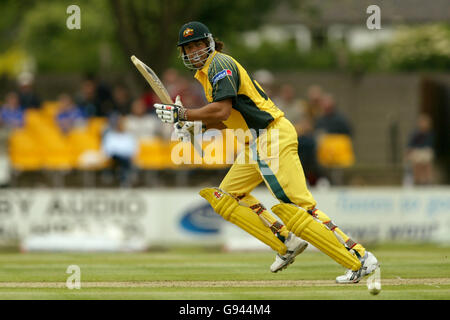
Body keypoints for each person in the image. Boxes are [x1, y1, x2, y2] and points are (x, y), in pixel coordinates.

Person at [154, 21, 379, 283]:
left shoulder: (219, 64)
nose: (194, 52)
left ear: (210, 44)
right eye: (188, 48)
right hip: (255, 141)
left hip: (271, 136)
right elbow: (226, 119)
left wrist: (183, 114)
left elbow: (222, 111)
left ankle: (359, 257)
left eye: (198, 45)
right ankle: (285, 241)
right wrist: (194, 127)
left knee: (298, 207)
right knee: (227, 197)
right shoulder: (205, 75)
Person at [405, 113, 435, 185]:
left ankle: (427, 181)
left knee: (427, 161)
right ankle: (417, 181)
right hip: (416, 152)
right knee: (417, 162)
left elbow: (429, 146)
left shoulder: (430, 134)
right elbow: (410, 145)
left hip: (425, 152)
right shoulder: (415, 133)